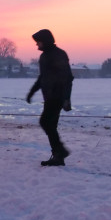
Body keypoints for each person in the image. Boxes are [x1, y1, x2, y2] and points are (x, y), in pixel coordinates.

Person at [26, 29, 74, 167]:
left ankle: (61, 151)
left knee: (45, 122)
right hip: (49, 96)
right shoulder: (44, 56)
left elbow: (67, 78)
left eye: (38, 42)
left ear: (45, 41)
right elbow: (43, 78)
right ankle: (59, 156)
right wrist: (32, 92)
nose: (36, 45)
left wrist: (66, 98)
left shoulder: (59, 55)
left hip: (57, 96)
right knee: (50, 125)